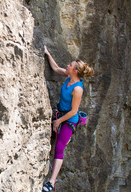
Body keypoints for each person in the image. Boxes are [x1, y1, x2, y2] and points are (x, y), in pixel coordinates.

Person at [42, 46, 94, 192]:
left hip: (69, 119)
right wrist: (47, 53)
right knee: (51, 137)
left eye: (70, 65)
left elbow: (74, 111)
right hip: (61, 115)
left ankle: (51, 183)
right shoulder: (68, 77)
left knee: (59, 147)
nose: (67, 66)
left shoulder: (78, 88)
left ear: (75, 71)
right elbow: (56, 68)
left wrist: (58, 121)